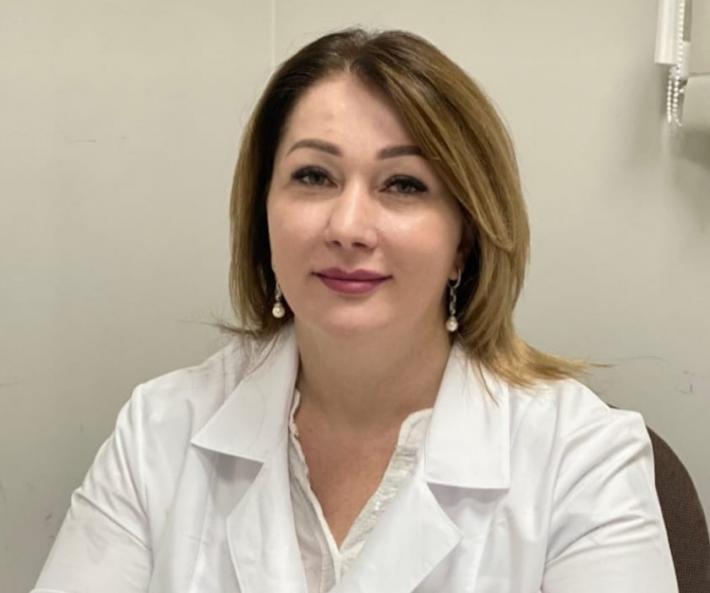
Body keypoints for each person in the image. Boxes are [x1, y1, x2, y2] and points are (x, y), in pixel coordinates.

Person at [32, 28, 679, 593]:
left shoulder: (581, 457)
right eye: (314, 176)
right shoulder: (160, 432)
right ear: (263, 214)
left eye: (404, 184)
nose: (347, 226)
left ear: (465, 239)